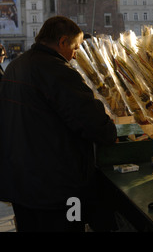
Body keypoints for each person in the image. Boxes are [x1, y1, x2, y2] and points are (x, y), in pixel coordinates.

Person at [0, 16, 117, 232]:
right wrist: (110, 128)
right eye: (75, 47)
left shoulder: (15, 66)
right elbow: (95, 124)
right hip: (58, 191)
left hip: (20, 185)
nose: (76, 54)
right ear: (63, 41)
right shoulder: (59, 71)